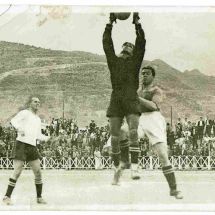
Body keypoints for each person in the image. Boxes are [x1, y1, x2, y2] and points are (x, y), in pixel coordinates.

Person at [109, 66, 183, 199]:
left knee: (162, 155)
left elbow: (154, 106)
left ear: (153, 76)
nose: (144, 76)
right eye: (142, 73)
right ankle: (126, 162)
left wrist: (136, 98)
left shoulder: (156, 90)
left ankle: (173, 189)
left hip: (154, 119)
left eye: (147, 74)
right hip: (140, 117)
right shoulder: (138, 90)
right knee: (122, 131)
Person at [102, 12, 146, 185]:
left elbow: (142, 44)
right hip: (117, 97)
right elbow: (107, 44)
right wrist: (109, 24)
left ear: (131, 51)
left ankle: (134, 166)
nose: (126, 48)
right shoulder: (114, 61)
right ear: (122, 50)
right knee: (114, 136)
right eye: (125, 47)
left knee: (133, 132)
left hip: (130, 97)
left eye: (129, 47)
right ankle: (116, 168)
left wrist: (137, 24)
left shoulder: (135, 62)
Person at [2, 96, 51, 205]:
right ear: (30, 103)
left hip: (32, 147)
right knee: (17, 171)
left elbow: (38, 134)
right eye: (35, 102)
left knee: (38, 172)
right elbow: (13, 121)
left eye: (39, 102)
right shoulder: (25, 113)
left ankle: (39, 197)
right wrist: (19, 128)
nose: (37, 103)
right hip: (21, 145)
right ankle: (7, 197)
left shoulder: (38, 119)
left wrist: (46, 138)